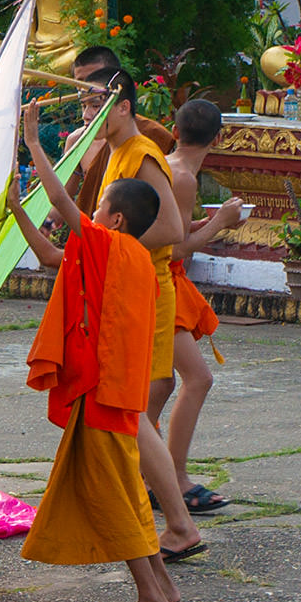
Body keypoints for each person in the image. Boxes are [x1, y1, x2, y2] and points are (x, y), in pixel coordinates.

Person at [13, 100, 177, 602]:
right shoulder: (134, 260)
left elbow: (60, 201)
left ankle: (149, 595)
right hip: (120, 392)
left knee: (111, 492)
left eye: (100, 206)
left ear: (116, 218)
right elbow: (50, 258)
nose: (94, 212)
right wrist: (18, 210)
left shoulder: (106, 244)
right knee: (127, 488)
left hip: (104, 391)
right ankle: (165, 585)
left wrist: (34, 144)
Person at [84, 68, 206, 564]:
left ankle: (175, 522)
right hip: (123, 291)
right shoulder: (114, 156)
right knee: (133, 413)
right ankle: (159, 518)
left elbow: (172, 230)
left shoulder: (142, 155)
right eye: (85, 108)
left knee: (133, 414)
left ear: (124, 107)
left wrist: (109, 241)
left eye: (97, 107)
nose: (89, 117)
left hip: (145, 291)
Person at [162, 100, 244, 514]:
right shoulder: (182, 177)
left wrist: (202, 223)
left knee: (158, 388)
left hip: (160, 280)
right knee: (197, 379)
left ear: (174, 131)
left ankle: (154, 476)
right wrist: (219, 224)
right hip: (160, 283)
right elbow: (174, 248)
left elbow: (169, 231)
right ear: (219, 138)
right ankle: (173, 479)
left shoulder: (168, 164)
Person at [63, 47, 175, 218]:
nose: (89, 88)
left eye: (96, 79)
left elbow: (169, 226)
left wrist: (109, 241)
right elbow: (61, 200)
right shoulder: (81, 141)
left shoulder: (146, 145)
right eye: (81, 83)